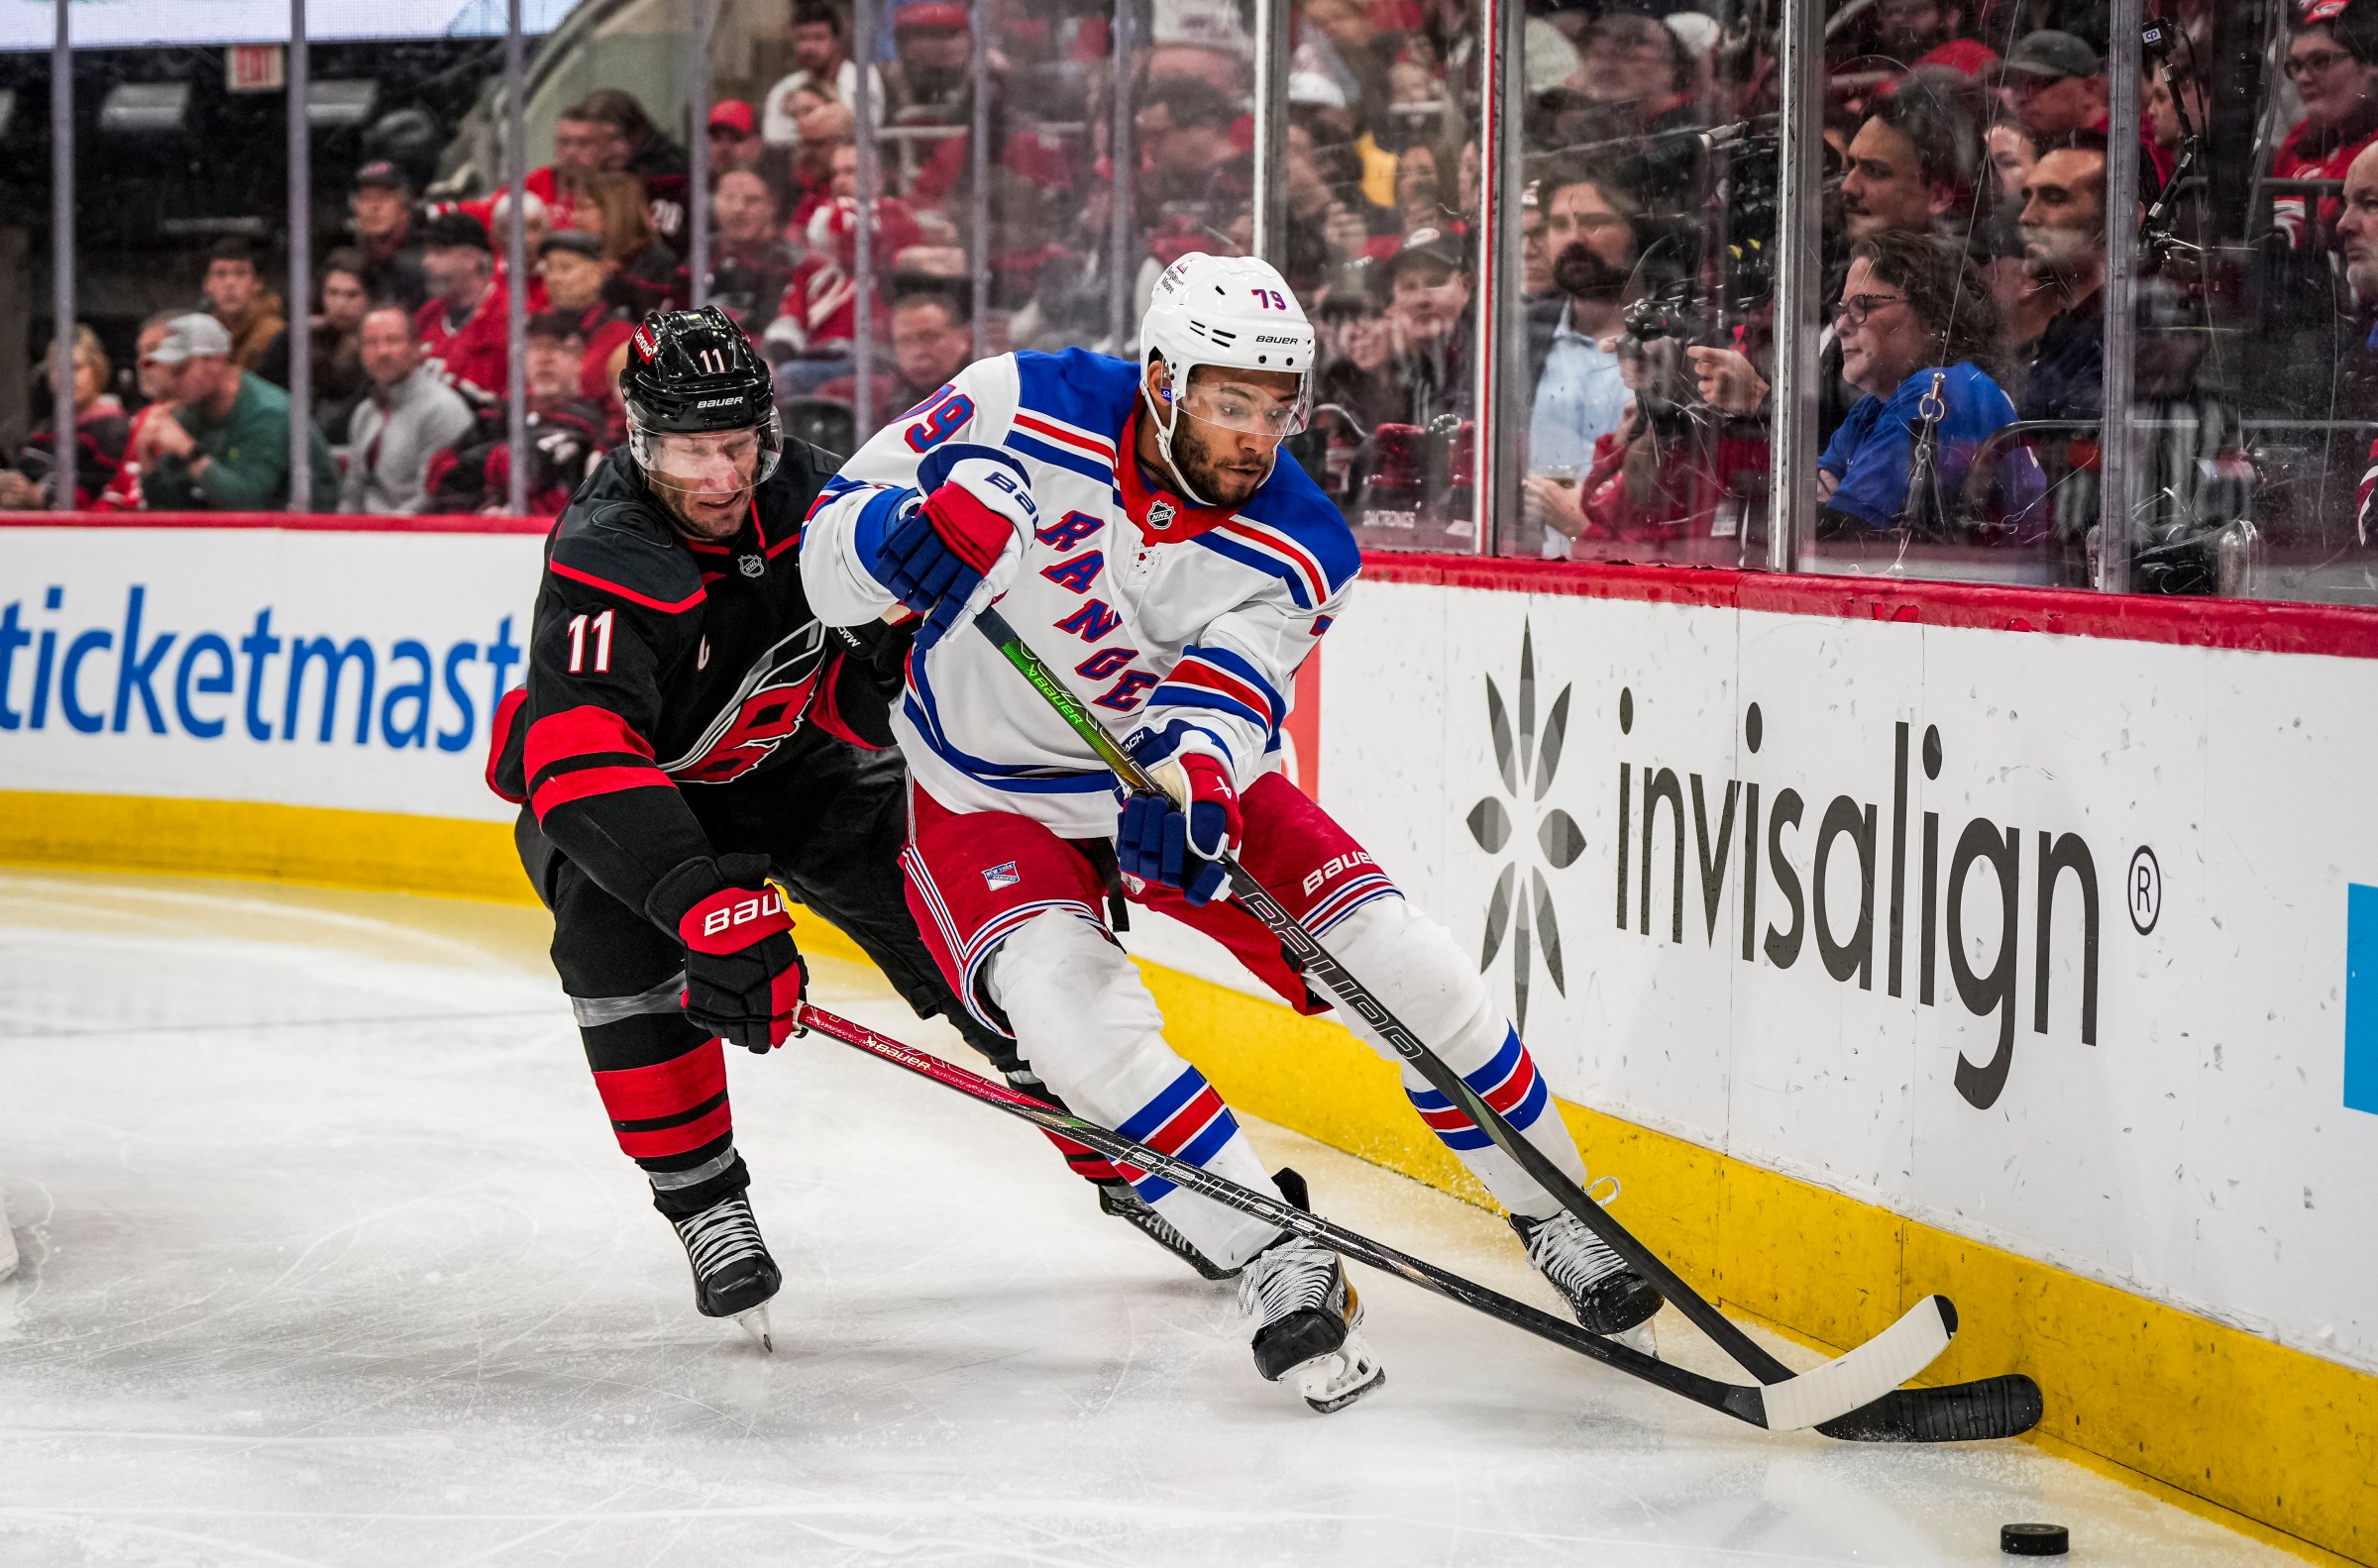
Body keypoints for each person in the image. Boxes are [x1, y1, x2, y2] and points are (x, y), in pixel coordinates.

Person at [800, 253, 1664, 1412]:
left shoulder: (1304, 541)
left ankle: (1561, 1212)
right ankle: (1273, 1248)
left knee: (1404, 965)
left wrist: (1192, 779)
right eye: (1228, 401)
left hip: (1179, 775)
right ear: (1160, 379)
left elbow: (1230, 687)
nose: (1257, 435)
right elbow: (825, 547)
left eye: (1275, 407)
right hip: (986, 780)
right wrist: (895, 542)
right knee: (1059, 1000)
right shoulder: (1017, 401)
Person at [481, 307, 1043, 1347]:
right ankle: (704, 1203)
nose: (722, 476)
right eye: (694, 450)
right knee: (608, 941)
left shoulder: (822, 492)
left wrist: (910, 636)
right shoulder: (607, 546)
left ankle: (1139, 1154)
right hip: (651, 803)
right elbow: (581, 753)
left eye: (738, 445)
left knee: (987, 944)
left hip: (813, 781)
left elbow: (905, 642)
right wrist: (700, 898)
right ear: (644, 442)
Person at [1816, 232, 2035, 533]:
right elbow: (1815, 502)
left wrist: (1833, 503)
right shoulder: (1871, 409)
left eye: (1863, 305)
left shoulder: (1942, 388)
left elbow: (1842, 533)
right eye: (1841, 310)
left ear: (1933, 319)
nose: (1840, 326)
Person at [1524, 164, 1641, 554]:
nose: (1573, 238)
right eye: (1558, 224)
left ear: (1635, 234)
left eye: (1592, 222)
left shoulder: (1676, 347)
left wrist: (1585, 529)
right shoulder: (1523, 338)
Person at [130, 313, 337, 511]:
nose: (174, 382)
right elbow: (169, 507)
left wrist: (189, 451)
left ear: (216, 360)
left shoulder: (266, 412)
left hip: (302, 535)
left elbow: (248, 503)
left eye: (181, 370)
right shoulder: (188, 410)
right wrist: (147, 459)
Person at [428, 312, 609, 516]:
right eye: (536, 347)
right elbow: (439, 474)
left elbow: (528, 470)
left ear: (581, 359)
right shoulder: (496, 416)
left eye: (559, 348)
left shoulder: (592, 423)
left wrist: (481, 465)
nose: (545, 358)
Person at [338, 305, 479, 515]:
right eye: (371, 342)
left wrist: (380, 536)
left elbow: (432, 499)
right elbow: (352, 494)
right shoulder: (364, 413)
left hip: (419, 538)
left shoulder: (443, 410)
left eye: (393, 340)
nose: (382, 351)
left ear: (416, 348)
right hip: (368, 535)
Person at [2271, 0, 2378, 248]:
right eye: (2296, 66)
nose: (2303, 78)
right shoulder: (2299, 140)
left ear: (2372, 63)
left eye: (2321, 61)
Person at [0, 326, 129, 511]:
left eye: (75, 368)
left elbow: (106, 496)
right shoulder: (43, 431)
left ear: (98, 369)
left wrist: (41, 498)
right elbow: (21, 471)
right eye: (57, 368)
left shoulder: (115, 431)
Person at [1838, 90, 1978, 242]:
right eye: (1850, 166)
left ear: (1938, 196)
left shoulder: (1966, 262)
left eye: (1875, 171)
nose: (1847, 186)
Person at [415, 211, 512, 406]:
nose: (427, 262)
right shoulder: (426, 315)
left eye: (439, 253)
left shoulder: (510, 318)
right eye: (427, 252)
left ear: (472, 259)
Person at [94, 313, 188, 511]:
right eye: (140, 353)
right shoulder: (145, 417)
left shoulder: (204, 417)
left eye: (154, 351)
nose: (142, 364)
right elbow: (117, 493)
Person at [536, 230, 639, 404]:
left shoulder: (620, 336)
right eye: (549, 268)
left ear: (597, 272)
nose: (554, 278)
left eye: (565, 268)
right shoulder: (537, 328)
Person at [762, 0, 881, 146]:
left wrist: (814, 107)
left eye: (819, 37)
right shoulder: (783, 90)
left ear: (836, 41)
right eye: (802, 38)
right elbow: (775, 140)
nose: (809, 47)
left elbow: (868, 128)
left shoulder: (864, 77)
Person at [708, 169, 799, 337]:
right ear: (714, 203)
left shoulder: (787, 263)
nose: (739, 209)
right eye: (729, 199)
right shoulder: (701, 254)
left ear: (772, 206)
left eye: (752, 200)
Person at [200, 238, 292, 385]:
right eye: (220, 274)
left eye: (240, 273)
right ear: (207, 284)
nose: (230, 283)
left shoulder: (274, 334)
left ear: (257, 283)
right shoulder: (204, 332)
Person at [312, 249, 376, 446]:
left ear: (369, 297)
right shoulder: (306, 337)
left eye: (352, 295)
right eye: (332, 293)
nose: (340, 304)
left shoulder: (381, 347)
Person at [1998, 31, 2109, 142]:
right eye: (2015, 83)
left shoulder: (2117, 147)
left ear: (2090, 89)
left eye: (2036, 83)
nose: (2021, 98)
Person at [349, 160, 429, 313]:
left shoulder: (428, 255)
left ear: (405, 207)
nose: (374, 208)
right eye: (366, 198)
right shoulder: (358, 256)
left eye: (383, 197)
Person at [707, 99, 767, 176]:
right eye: (716, 138)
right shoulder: (695, 184)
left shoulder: (772, 186)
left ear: (757, 146)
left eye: (736, 138)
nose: (724, 147)